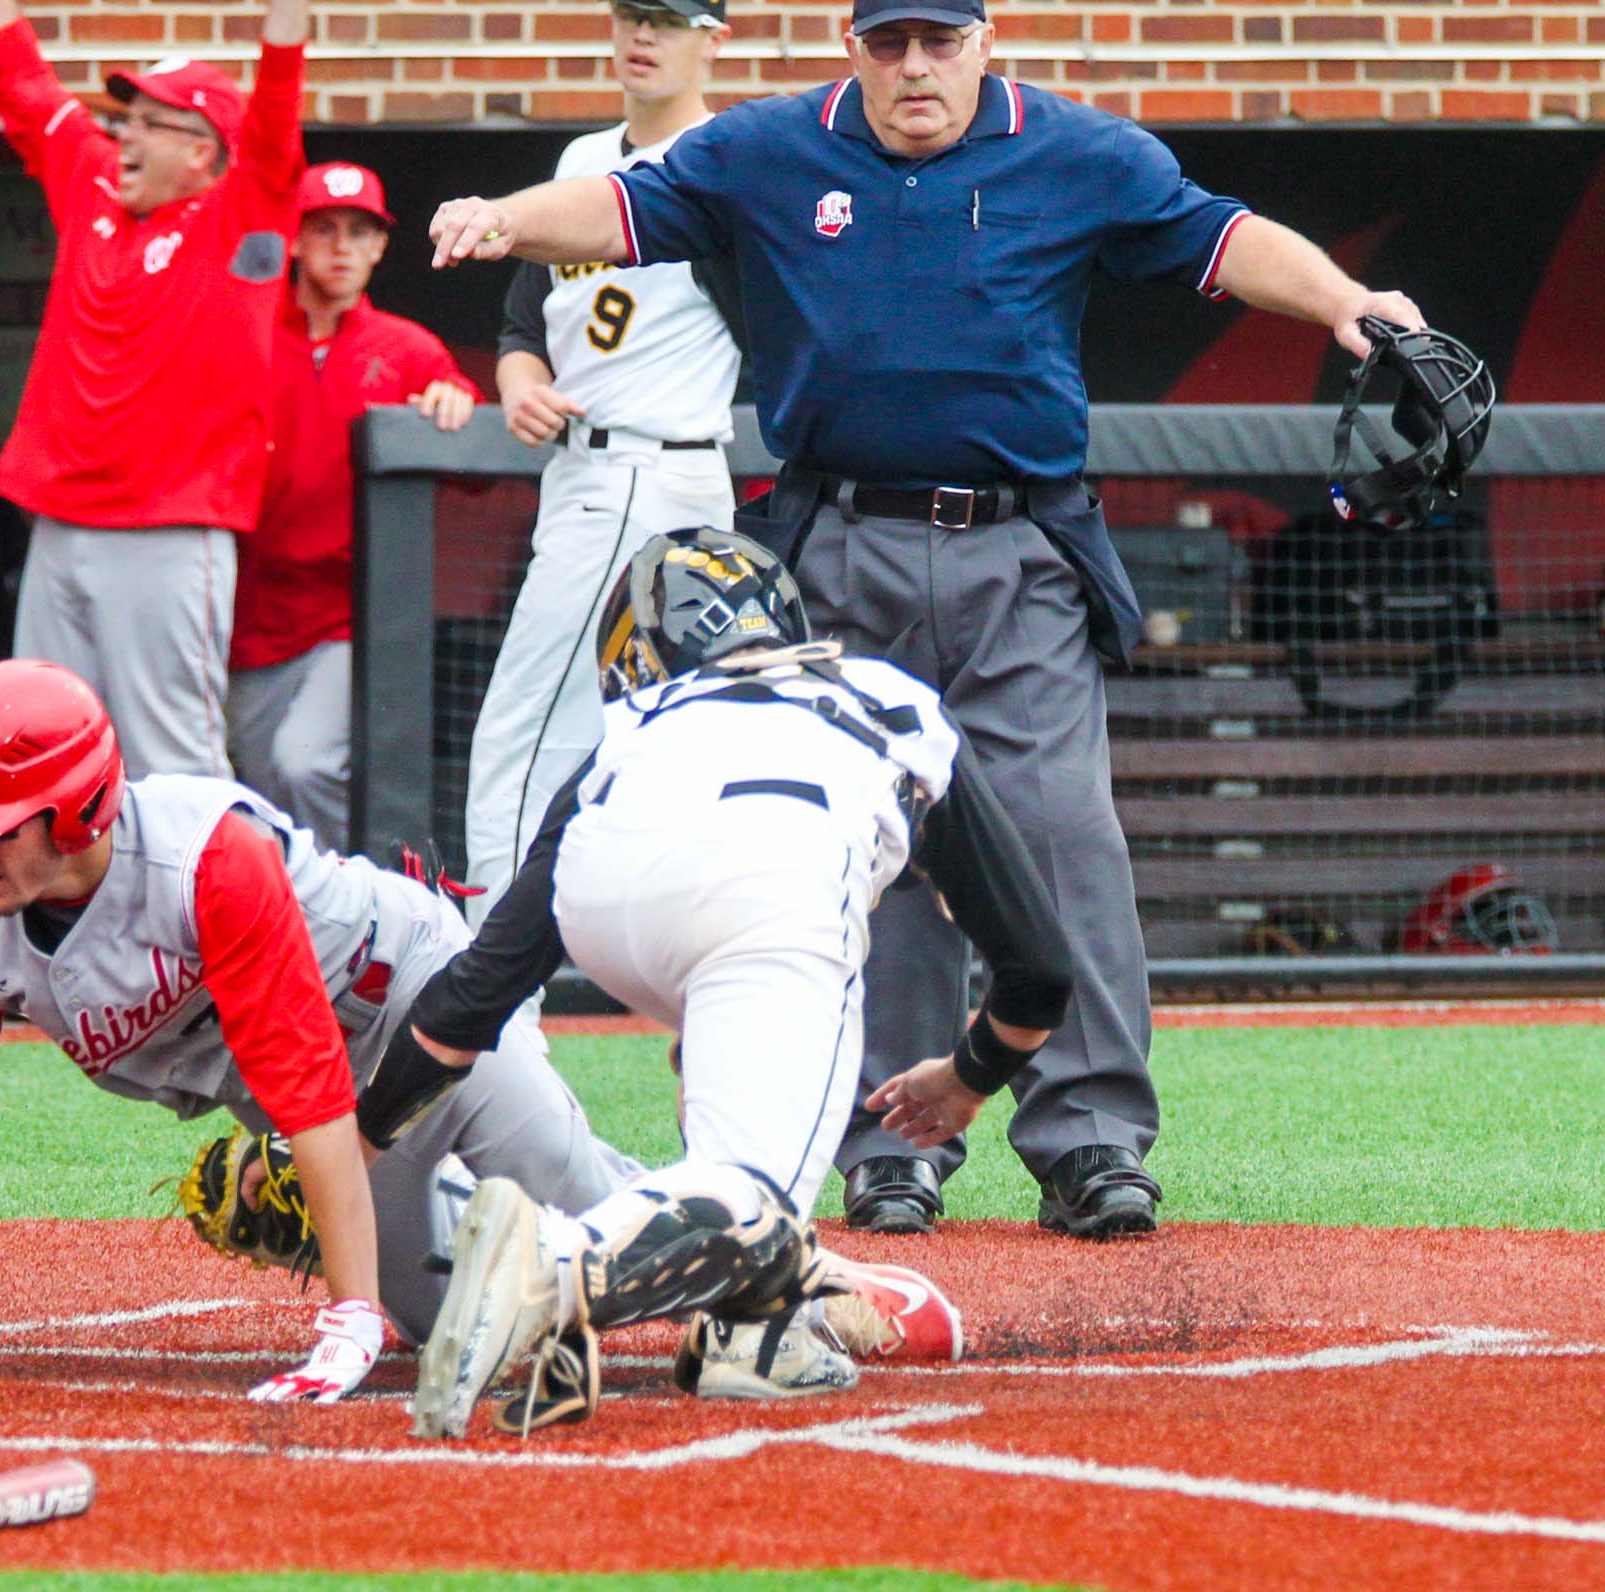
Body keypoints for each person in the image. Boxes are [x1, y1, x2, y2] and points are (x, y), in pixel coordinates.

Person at [427, 0, 1429, 1240]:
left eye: (938, 42)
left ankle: (1090, 1139)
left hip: (1021, 546)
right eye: (889, 42)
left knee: (1064, 836)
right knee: (867, 843)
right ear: (851, 45)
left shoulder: (1071, 150)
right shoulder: (774, 147)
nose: (914, 68)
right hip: (836, 538)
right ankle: (884, 1146)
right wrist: (504, 217)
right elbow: (626, 212)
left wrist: (1341, 299)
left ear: (983, 41)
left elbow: (1217, 241)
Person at [0, 658, 651, 1398]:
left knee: (589, 1208)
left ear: (75, 806)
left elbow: (307, 1083)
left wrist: (346, 1314)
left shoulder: (205, 857)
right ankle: (458, 1227)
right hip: (306, 1098)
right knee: (455, 1319)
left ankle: (774, 1276)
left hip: (415, 1005)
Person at [404, 530, 1073, 1439]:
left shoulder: (633, 725)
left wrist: (360, 1134)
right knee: (752, 1182)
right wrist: (969, 1074)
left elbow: (467, 1000)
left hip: (607, 905)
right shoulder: (882, 693)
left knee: (735, 1073)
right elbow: (1040, 968)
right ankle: (548, 1265)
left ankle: (759, 1333)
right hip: (771, 884)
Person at [462, 0, 745, 981]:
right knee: (658, 759)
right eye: (631, 14)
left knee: (520, 748)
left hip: (638, 474)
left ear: (712, 35)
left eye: (668, 20)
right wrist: (517, 382)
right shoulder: (582, 160)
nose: (642, 35)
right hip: (596, 469)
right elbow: (518, 323)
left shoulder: (726, 161)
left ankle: (484, 1024)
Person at [0, 0, 308, 781]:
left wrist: (287, 20)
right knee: (44, 759)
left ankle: (222, 907)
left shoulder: (242, 214)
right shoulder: (94, 184)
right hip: (58, 528)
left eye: (150, 123)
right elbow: (26, 89)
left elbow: (274, 120)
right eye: (125, 118)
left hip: (167, 535)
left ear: (203, 152)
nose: (123, 134)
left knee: (174, 769)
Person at [228, 161, 480, 850]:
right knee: (257, 786)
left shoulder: (406, 349)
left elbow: (480, 469)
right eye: (324, 229)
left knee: (303, 762)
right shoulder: (244, 333)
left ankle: (347, 916)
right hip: (250, 614)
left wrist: (455, 405)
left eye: (359, 232)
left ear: (379, 247)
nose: (341, 247)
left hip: (351, 614)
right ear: (295, 241)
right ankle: (291, 932)